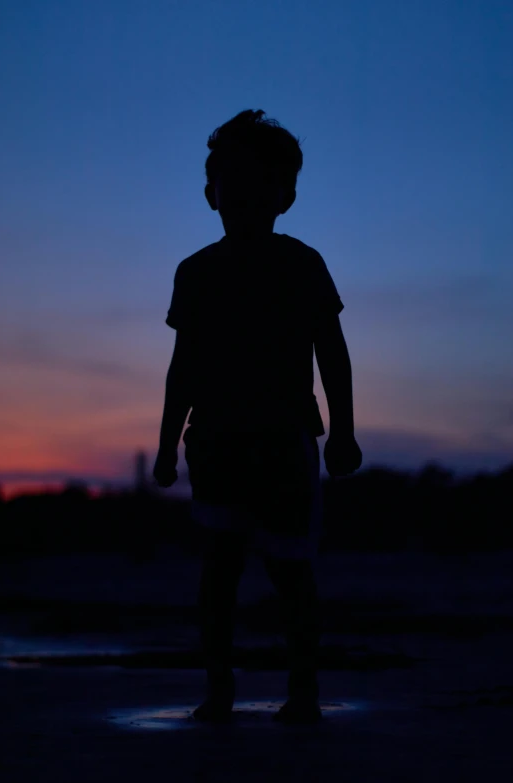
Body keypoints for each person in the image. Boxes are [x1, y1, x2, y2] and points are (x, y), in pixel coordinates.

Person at [153, 109, 362, 725]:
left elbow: (333, 353)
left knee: (290, 570)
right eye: (231, 179)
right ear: (210, 192)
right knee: (218, 572)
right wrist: (166, 447)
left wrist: (343, 432)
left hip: (284, 444)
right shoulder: (195, 272)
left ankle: (303, 692)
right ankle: (219, 690)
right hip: (215, 443)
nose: (243, 192)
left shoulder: (303, 264)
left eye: (260, 180)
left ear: (286, 195)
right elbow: (182, 369)